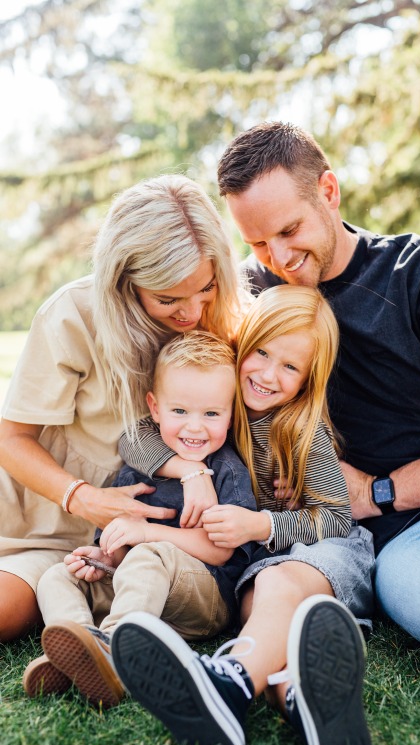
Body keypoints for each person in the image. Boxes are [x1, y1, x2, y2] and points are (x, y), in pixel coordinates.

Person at [212, 121, 420, 674]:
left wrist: (377, 491)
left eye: (289, 230)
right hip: (415, 542)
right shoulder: (253, 297)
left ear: (328, 191)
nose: (277, 256)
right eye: (256, 242)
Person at [112, 285, 374, 745]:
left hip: (320, 549)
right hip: (258, 562)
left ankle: (225, 685)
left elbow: (336, 516)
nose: (269, 374)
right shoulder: (217, 398)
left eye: (291, 366)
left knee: (274, 591)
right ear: (243, 344)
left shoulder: (301, 432)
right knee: (260, 613)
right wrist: (192, 472)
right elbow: (136, 440)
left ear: (310, 377)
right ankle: (299, 698)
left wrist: (265, 525)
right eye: (262, 352)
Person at [0, 173, 248, 643]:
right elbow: (11, 440)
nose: (191, 313)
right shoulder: (74, 314)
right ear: (125, 282)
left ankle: (103, 644)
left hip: (128, 548)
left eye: (206, 288)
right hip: (37, 524)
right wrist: (82, 497)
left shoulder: (219, 326)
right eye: (167, 298)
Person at [22, 331, 257, 708]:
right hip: (139, 592)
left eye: (211, 413)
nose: (194, 427)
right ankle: (79, 646)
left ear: (231, 414)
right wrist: (102, 559)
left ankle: (116, 654)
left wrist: (146, 533)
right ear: (155, 407)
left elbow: (220, 554)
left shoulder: (226, 469)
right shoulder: (139, 466)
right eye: (180, 411)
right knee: (57, 574)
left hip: (204, 600)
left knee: (151, 554)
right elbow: (115, 544)